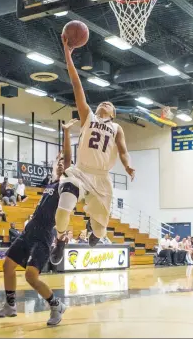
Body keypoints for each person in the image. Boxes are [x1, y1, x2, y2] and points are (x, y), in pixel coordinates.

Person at [50, 35, 135, 265]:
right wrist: (68, 56)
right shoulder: (87, 116)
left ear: (114, 113)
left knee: (99, 232)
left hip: (101, 179)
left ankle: (92, 228)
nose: (106, 103)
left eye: (110, 104)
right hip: (80, 172)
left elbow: (124, 151)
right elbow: (77, 84)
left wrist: (127, 165)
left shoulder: (116, 128)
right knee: (64, 206)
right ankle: (60, 240)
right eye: (103, 102)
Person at [0, 119, 76, 326]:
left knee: (31, 276)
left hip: (44, 234)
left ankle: (56, 305)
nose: (60, 164)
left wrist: (65, 134)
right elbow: (58, 162)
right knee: (7, 265)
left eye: (63, 163)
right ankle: (10, 306)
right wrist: (57, 158)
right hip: (29, 231)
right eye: (59, 162)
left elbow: (68, 159)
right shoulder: (51, 181)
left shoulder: (67, 182)